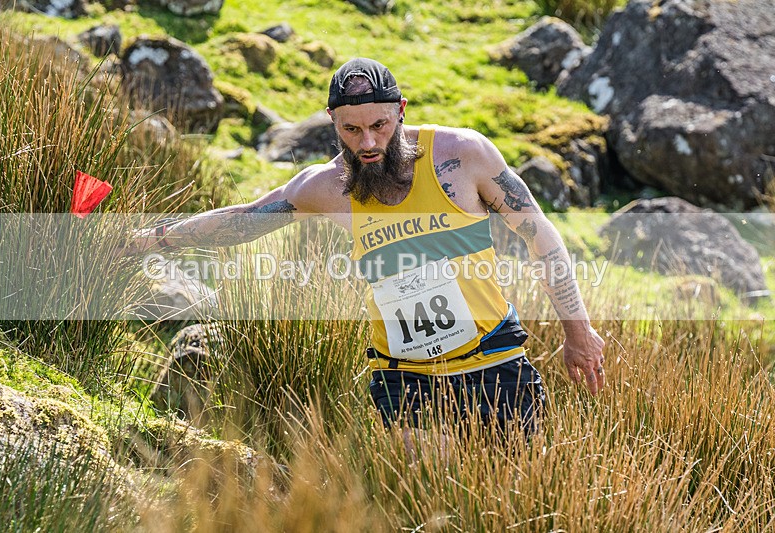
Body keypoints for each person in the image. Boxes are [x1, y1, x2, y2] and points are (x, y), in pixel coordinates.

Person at [124, 58, 605, 437]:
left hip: (495, 360)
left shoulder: (462, 155)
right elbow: (241, 222)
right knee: (427, 502)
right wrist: (153, 238)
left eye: (379, 125)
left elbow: (540, 235)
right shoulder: (325, 186)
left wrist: (577, 329)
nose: (368, 142)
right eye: (351, 130)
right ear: (332, 121)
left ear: (401, 111)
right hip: (406, 374)